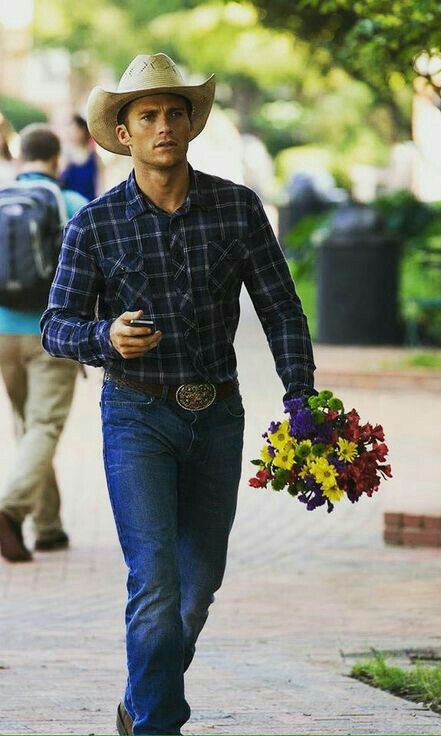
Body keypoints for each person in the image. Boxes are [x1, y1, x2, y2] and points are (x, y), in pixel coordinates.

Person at [41, 53, 316, 735]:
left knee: (197, 588)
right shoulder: (95, 225)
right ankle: (159, 725)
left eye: (173, 113)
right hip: (136, 416)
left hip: (218, 415)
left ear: (190, 124)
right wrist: (105, 336)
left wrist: (300, 396)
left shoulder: (238, 209)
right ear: (125, 133)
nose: (163, 125)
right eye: (147, 116)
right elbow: (56, 326)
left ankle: (140, 702)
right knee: (156, 584)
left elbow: (281, 309)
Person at [0, 125, 88, 562]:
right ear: (56, 160)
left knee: (30, 427)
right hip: (50, 333)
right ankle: (11, 510)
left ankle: (48, 527)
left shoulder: (2, 198)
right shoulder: (69, 203)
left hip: (2, 333)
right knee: (44, 426)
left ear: (22, 157)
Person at [59, 114, 101, 201]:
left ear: (83, 131)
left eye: (75, 130)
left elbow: (100, 184)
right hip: (71, 205)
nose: (71, 133)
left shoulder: (94, 158)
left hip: (90, 202)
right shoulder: (64, 157)